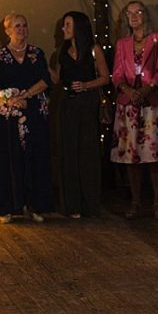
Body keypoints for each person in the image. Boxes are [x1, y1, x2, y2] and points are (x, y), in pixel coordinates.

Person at [110, 1, 158, 220]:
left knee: (155, 154)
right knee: (132, 155)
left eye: (138, 12)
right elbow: (117, 73)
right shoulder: (122, 44)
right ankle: (136, 202)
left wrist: (147, 89)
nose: (134, 16)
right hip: (129, 105)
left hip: (153, 104)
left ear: (145, 16)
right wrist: (128, 91)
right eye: (129, 13)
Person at [0, 12, 54, 224]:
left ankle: (35, 206)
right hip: (10, 115)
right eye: (17, 26)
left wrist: (25, 95)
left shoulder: (37, 53)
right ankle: (7, 207)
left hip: (34, 112)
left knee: (36, 158)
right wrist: (9, 100)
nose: (22, 30)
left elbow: (45, 80)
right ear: (7, 31)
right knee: (9, 157)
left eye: (24, 25)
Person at [54, 11, 111, 219]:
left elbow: (105, 77)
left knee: (88, 153)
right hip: (68, 105)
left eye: (67, 25)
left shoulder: (94, 50)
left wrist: (86, 85)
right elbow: (58, 79)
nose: (63, 29)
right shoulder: (63, 51)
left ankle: (90, 203)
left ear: (78, 27)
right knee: (68, 152)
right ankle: (72, 205)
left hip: (87, 105)